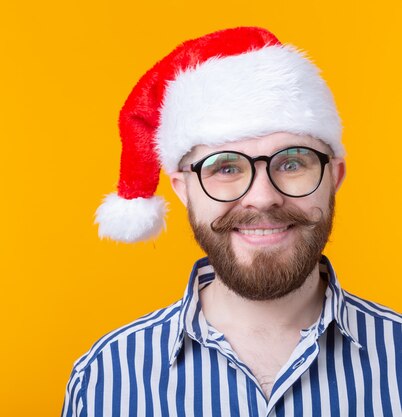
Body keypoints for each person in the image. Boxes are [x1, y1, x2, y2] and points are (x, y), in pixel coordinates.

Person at [61, 27, 402, 416]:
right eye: (226, 168)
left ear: (334, 177)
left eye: (292, 163)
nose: (262, 198)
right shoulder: (107, 378)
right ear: (183, 188)